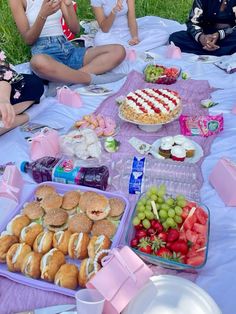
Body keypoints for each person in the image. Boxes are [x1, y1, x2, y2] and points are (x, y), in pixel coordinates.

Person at [8, 0, 126, 86]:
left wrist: (68, 5)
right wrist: (43, 14)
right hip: (46, 54)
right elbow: (29, 40)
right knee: (37, 62)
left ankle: (65, 80)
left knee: (118, 51)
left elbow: (75, 30)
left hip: (68, 49)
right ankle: (91, 79)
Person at [90, 0, 168, 52]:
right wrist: (114, 12)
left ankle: (127, 51)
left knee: (163, 35)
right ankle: (129, 50)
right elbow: (104, 29)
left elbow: (131, 17)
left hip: (127, 31)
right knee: (99, 41)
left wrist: (135, 37)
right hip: (109, 34)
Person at [169, 0, 236, 56]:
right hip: (206, 34)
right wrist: (201, 37)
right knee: (175, 38)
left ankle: (211, 50)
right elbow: (193, 22)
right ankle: (219, 50)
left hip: (228, 35)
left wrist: (220, 34)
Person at [0, 50, 44, 135]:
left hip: (6, 91)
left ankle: (10, 114)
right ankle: (24, 117)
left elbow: (3, 75)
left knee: (32, 84)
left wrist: (3, 99)